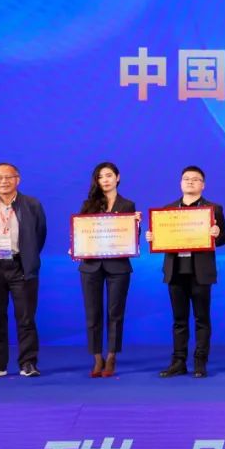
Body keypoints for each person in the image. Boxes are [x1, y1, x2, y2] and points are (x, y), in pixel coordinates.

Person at [147, 166, 225, 378]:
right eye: (186, 178)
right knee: (179, 320)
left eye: (195, 179)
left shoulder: (213, 209)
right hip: (175, 271)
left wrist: (217, 233)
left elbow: (223, 239)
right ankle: (178, 361)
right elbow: (162, 239)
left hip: (200, 271)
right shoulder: (167, 211)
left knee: (202, 319)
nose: (190, 182)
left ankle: (200, 362)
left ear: (203, 185)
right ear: (180, 183)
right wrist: (153, 238)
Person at [0, 163, 47, 379]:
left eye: (8, 177)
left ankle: (28, 363)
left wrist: (28, 256)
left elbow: (40, 233)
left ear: (18, 179)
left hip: (21, 265)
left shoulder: (32, 204)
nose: (3, 181)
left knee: (26, 318)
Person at [77, 162, 139, 378]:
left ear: (117, 178)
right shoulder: (88, 204)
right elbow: (81, 233)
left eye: (109, 175)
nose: (105, 180)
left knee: (115, 313)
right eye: (100, 176)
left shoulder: (128, 205)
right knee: (92, 313)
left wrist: (136, 226)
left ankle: (111, 356)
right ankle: (97, 357)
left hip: (118, 265)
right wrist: (76, 246)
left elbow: (131, 238)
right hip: (90, 265)